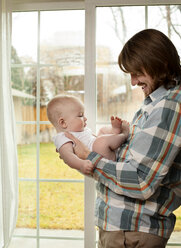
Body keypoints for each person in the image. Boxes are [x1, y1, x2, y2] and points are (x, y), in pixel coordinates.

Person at [64, 29, 181, 248]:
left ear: (161, 63)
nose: (133, 82)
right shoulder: (156, 102)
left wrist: (87, 158)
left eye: (137, 72)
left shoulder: (170, 106)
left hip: (133, 231)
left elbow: (140, 182)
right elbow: (132, 160)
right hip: (127, 228)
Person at [47, 95, 129, 175]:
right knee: (100, 142)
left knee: (102, 130)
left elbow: (94, 138)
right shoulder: (63, 138)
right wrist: (81, 164)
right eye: (80, 115)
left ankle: (114, 131)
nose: (85, 118)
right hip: (100, 157)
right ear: (63, 123)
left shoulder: (78, 130)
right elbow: (68, 157)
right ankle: (124, 135)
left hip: (100, 148)